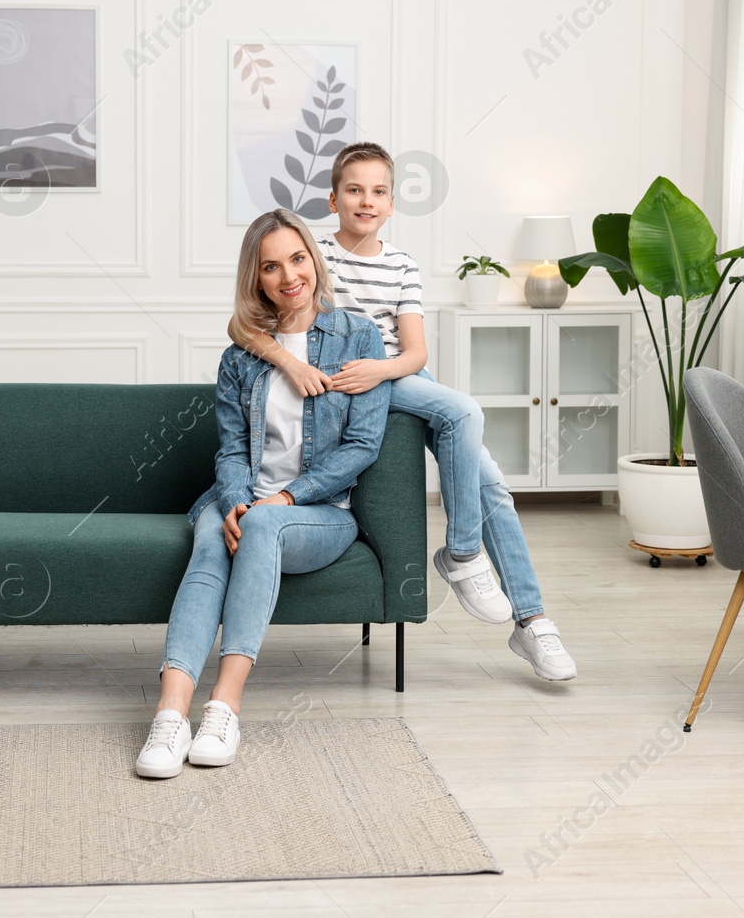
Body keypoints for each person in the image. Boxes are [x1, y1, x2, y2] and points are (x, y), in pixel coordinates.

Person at [226, 143, 576, 681]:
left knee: (487, 478)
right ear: (332, 199)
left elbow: (415, 353)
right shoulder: (309, 255)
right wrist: (292, 366)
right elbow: (242, 326)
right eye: (354, 190)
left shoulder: (402, 264)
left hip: (396, 376)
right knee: (465, 420)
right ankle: (485, 578)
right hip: (347, 384)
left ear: (392, 203)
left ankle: (523, 612)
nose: (366, 202)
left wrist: (380, 370)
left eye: (379, 192)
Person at [136, 209, 391, 778]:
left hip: (318, 511)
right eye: (270, 266)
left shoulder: (358, 336)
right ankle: (170, 716)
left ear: (314, 260)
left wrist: (286, 499)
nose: (288, 276)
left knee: (261, 526)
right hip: (244, 498)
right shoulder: (240, 358)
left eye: (297, 259)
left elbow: (362, 446)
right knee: (210, 543)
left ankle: (224, 707)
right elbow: (230, 450)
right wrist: (232, 502)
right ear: (256, 278)